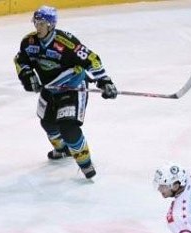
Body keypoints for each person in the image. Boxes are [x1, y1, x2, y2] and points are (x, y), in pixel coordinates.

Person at [13, 5, 117, 179]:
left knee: (68, 127)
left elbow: (91, 59)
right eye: (36, 23)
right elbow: (20, 60)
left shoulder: (67, 42)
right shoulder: (29, 42)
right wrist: (27, 75)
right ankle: (63, 150)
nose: (38, 27)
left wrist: (104, 80)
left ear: (51, 25)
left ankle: (86, 164)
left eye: (41, 24)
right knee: (48, 124)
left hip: (72, 87)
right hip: (50, 88)